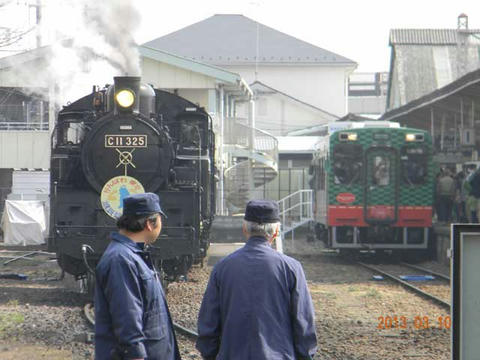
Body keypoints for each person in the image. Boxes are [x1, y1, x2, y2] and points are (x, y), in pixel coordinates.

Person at [196, 200, 317, 360]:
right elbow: (303, 322)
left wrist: (211, 354)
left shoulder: (222, 267)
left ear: (245, 229)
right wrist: (305, 355)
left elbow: (208, 322)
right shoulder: (292, 268)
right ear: (276, 232)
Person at [95, 193, 181, 360]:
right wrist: (135, 355)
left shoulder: (133, 256)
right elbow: (127, 317)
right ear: (149, 224)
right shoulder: (121, 260)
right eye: (159, 219)